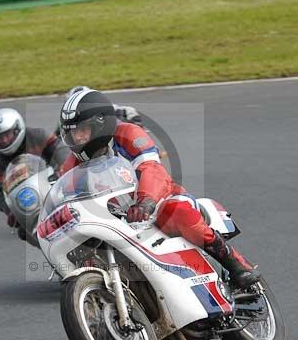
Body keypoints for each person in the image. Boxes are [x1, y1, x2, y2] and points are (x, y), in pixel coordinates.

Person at [57, 87, 262, 291]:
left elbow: (151, 168)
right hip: (119, 218)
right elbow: (65, 198)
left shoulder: (128, 134)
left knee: (177, 213)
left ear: (100, 124)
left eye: (83, 130)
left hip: (159, 200)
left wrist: (146, 201)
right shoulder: (73, 163)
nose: (78, 138)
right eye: (73, 133)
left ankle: (236, 264)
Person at [0, 108, 70, 230]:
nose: (4, 141)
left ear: (17, 129)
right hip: (29, 200)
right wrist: (10, 211)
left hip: (55, 184)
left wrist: (63, 169)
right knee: (23, 232)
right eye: (0, 138)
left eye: (7, 135)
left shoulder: (38, 136)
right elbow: (1, 194)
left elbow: (61, 151)